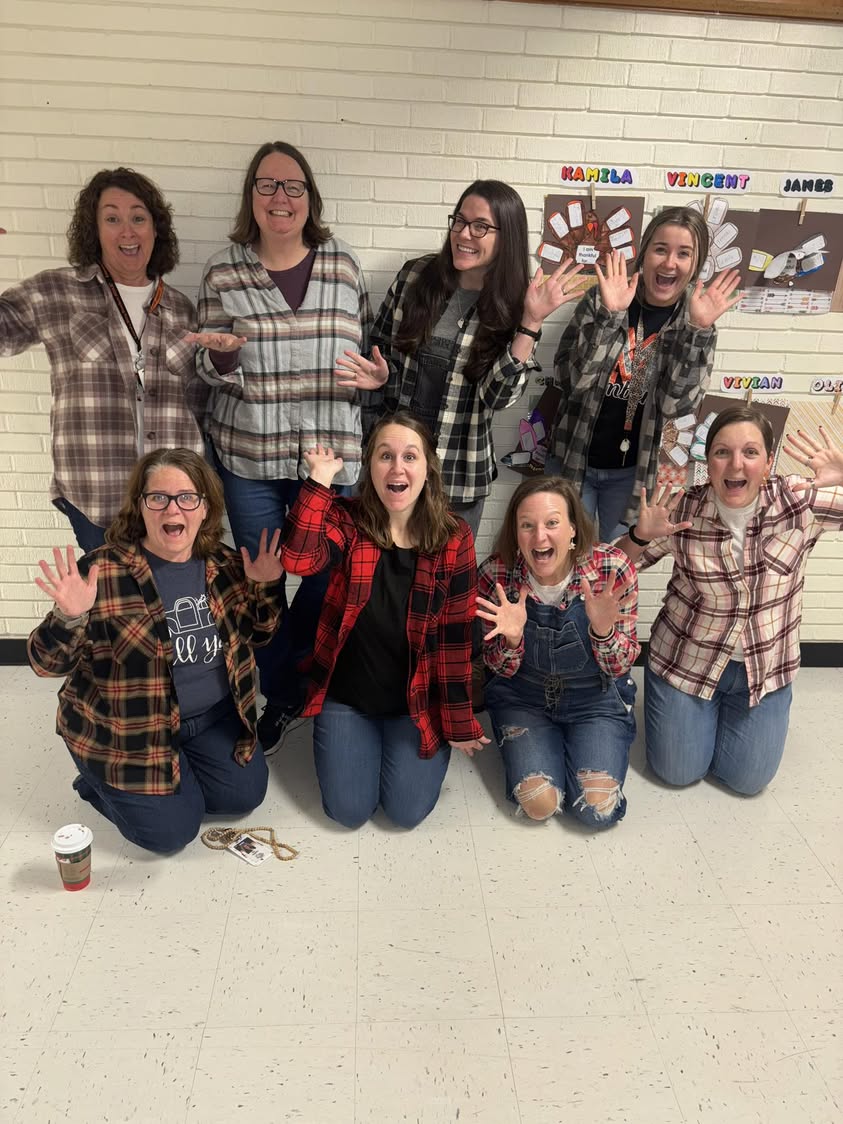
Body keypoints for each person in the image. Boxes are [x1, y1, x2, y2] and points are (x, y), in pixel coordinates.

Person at [192, 141, 372, 754]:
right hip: (251, 460)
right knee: (262, 580)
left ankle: (300, 678)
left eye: (293, 186)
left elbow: (367, 357)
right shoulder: (223, 272)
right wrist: (220, 356)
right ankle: (276, 694)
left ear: (310, 198)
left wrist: (377, 381)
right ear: (251, 197)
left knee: (325, 579)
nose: (280, 197)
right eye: (267, 185)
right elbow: (205, 366)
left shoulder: (343, 264)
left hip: (329, 464)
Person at [27, 448, 284, 853]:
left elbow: (261, 634)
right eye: (158, 498)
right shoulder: (102, 571)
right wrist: (69, 616)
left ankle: (176, 777)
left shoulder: (226, 564)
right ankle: (94, 781)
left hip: (210, 720)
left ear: (204, 509)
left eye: (187, 497)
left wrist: (266, 586)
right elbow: (45, 664)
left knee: (242, 797)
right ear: (141, 506)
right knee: (172, 835)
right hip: (127, 733)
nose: (172, 509)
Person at [333, 179, 585, 539]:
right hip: (394, 471)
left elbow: (496, 398)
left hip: (459, 475)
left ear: (506, 237)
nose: (464, 234)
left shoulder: (519, 304)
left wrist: (530, 322)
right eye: (459, 221)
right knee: (379, 575)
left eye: (480, 226)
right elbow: (379, 352)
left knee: (444, 588)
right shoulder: (414, 276)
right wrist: (378, 377)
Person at [278, 411, 488, 830]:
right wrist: (318, 482)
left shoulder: (454, 537)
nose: (397, 467)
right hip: (348, 698)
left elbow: (455, 640)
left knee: (406, 813)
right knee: (348, 811)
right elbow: (297, 558)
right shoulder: (347, 520)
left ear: (427, 469)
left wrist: (459, 722)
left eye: (410, 457)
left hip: (415, 702)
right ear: (369, 467)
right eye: (385, 455)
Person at [617, 407, 843, 796]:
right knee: (678, 773)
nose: (736, 464)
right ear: (708, 461)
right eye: (722, 452)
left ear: (768, 462)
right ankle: (685, 711)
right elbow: (611, 569)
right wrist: (638, 536)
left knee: (747, 782)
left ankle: (717, 719)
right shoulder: (683, 508)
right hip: (686, 662)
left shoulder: (800, 502)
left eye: (750, 452)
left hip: (764, 671)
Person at [0, 169, 208, 551]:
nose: (127, 231)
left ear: (155, 229)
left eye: (138, 218)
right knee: (111, 606)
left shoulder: (182, 308)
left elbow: (197, 403)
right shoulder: (56, 291)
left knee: (167, 603)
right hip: (96, 495)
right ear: (94, 229)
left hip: (175, 501)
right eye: (112, 218)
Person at [552, 206, 742, 542]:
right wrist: (610, 317)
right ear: (644, 254)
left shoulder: (696, 319)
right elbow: (573, 383)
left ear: (695, 266)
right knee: (565, 559)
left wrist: (697, 330)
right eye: (660, 249)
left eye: (683, 254)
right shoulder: (605, 297)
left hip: (631, 474)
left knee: (616, 568)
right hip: (574, 460)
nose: (670, 262)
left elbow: (675, 407)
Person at [476, 477, 639, 828]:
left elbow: (621, 663)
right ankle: (551, 749)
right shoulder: (496, 574)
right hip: (522, 699)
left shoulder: (611, 570)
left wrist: (603, 630)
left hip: (593, 700)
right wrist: (513, 641)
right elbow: (496, 668)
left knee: (597, 811)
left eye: (552, 523)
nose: (540, 537)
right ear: (516, 534)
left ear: (573, 530)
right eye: (527, 525)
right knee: (540, 805)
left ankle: (588, 741)